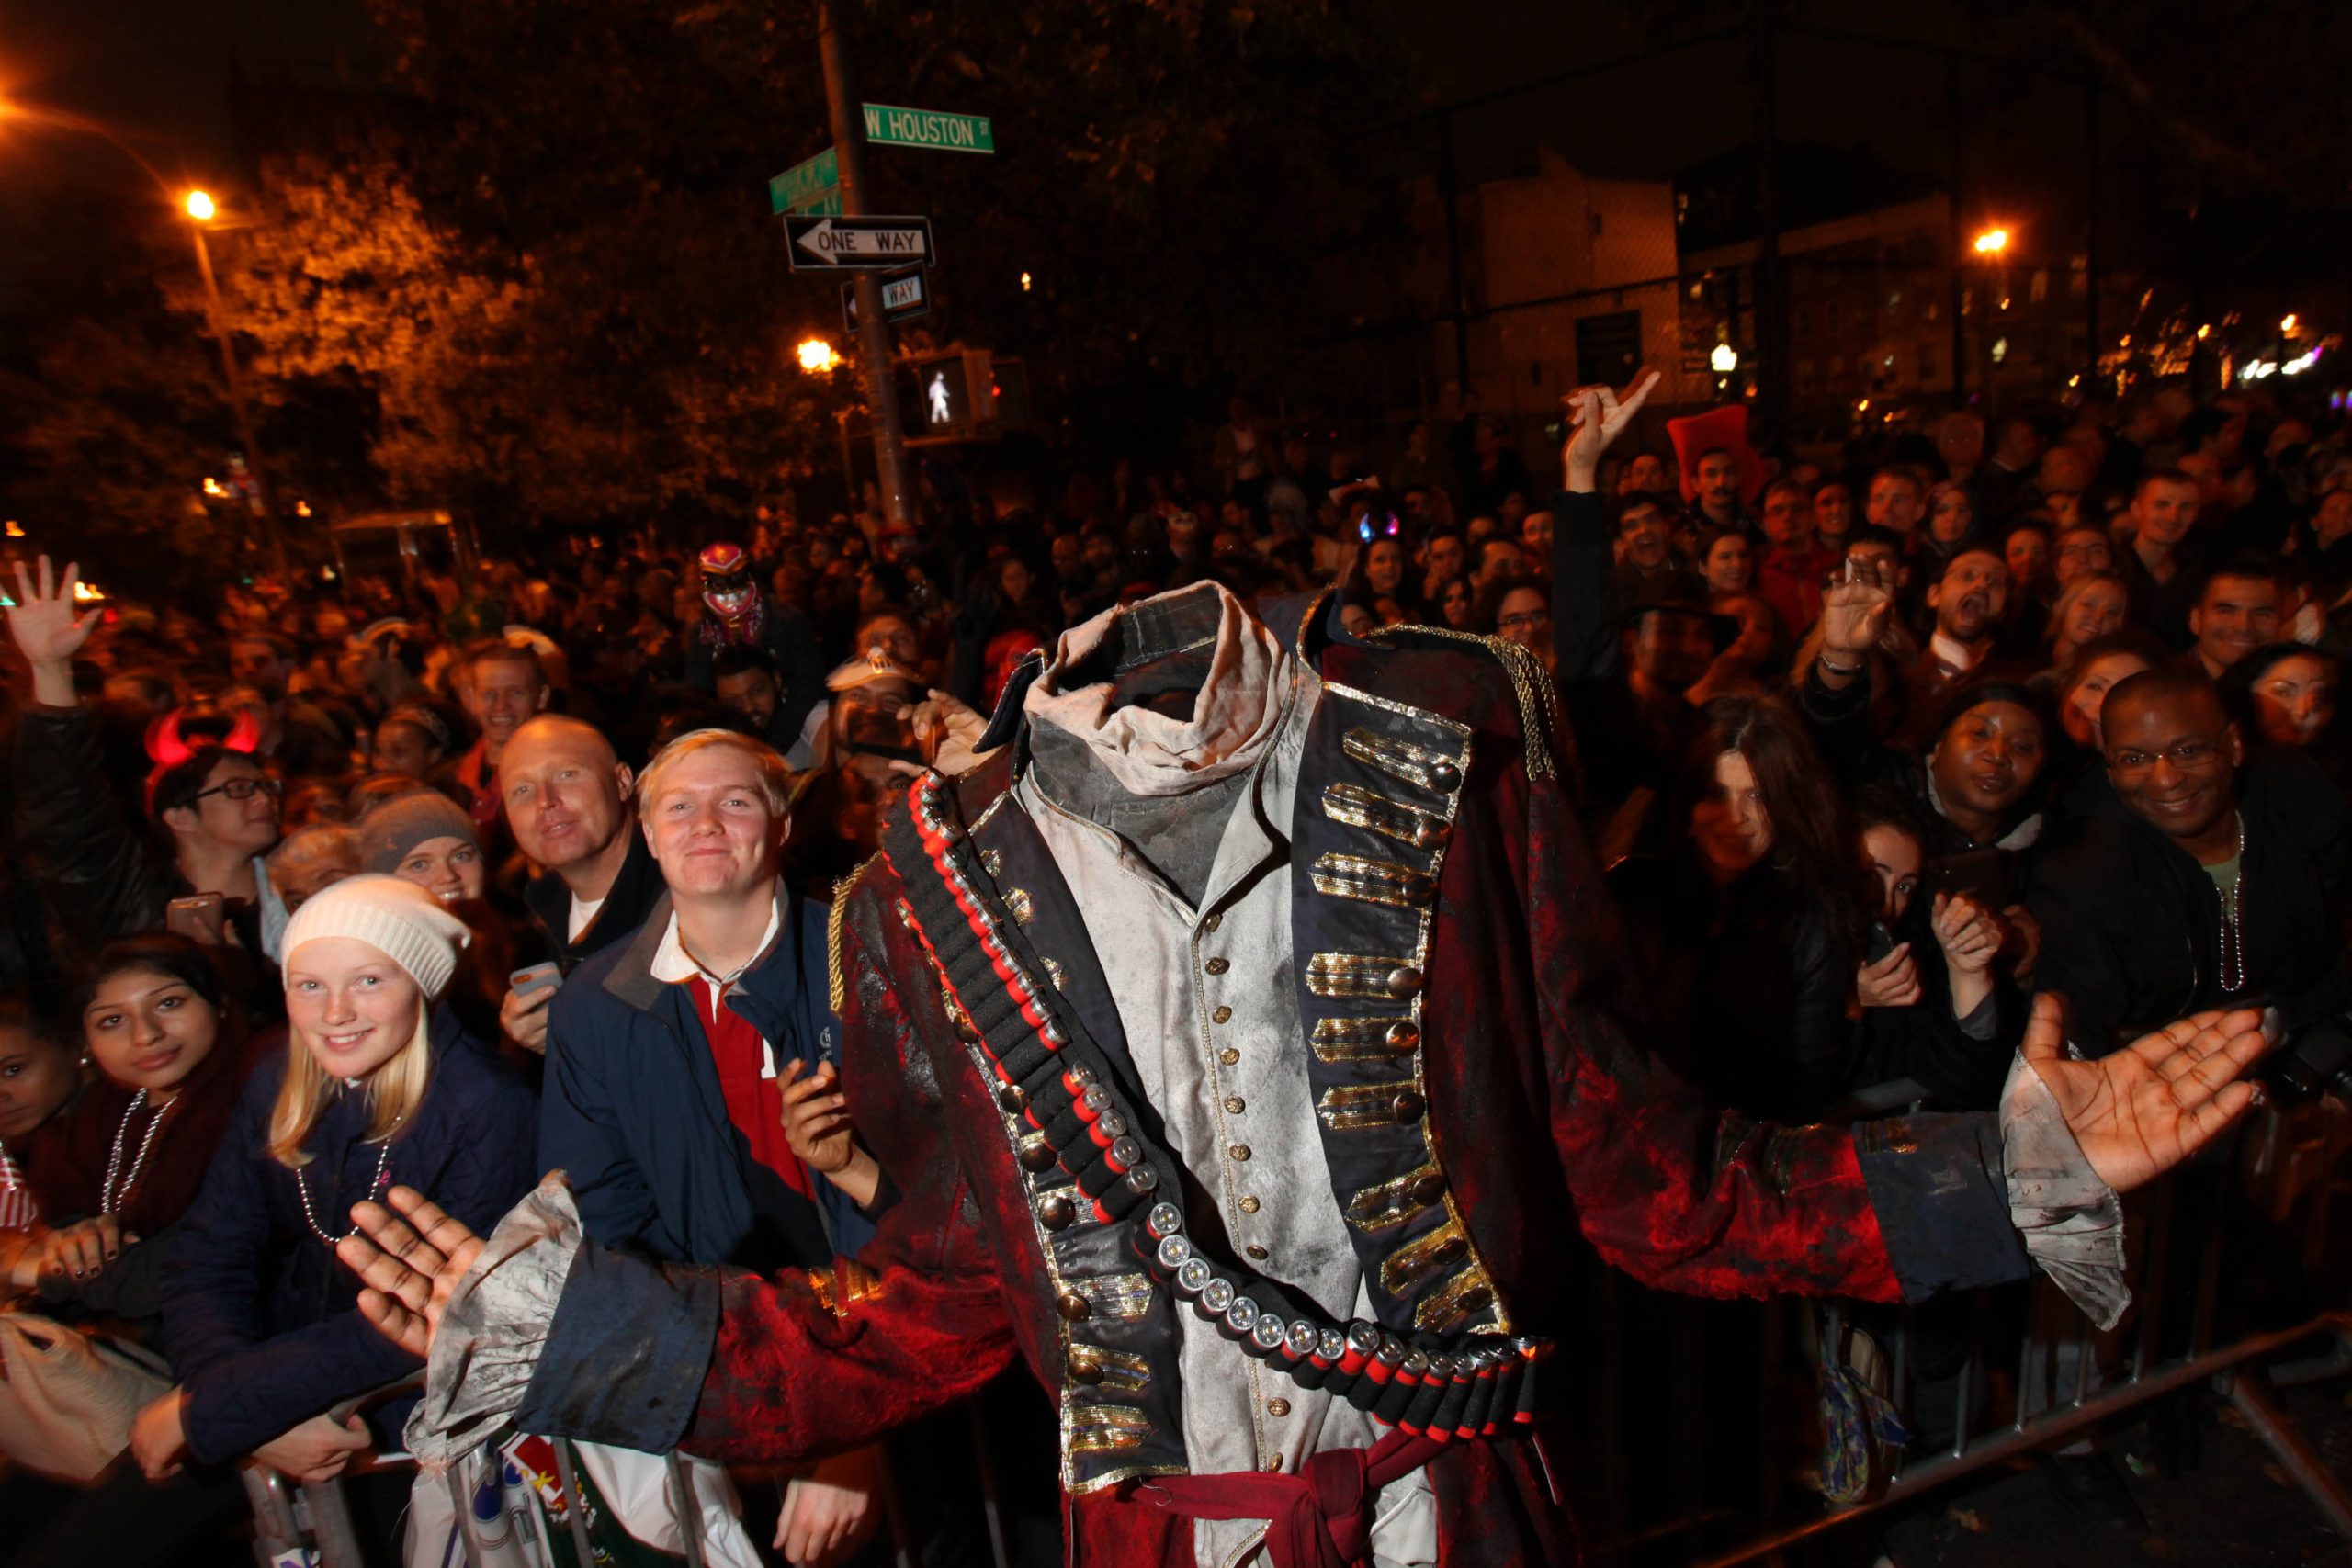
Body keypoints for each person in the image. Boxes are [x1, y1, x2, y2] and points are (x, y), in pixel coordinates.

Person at [537, 728, 885, 1559]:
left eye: (733, 802)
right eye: (677, 807)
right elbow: (607, 1224)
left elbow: (944, 1213)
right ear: (648, 833)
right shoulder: (595, 1008)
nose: (705, 824)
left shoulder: (869, 958)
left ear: (781, 825)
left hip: (893, 1382)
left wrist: (858, 1426)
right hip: (726, 1399)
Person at [132, 879, 537, 1522]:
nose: (335, 1012)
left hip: (408, 1423)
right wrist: (240, 1403)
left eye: (369, 981)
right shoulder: (275, 1075)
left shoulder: (488, 1104)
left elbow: (427, 1315)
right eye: (309, 984)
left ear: (421, 985)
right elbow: (209, 1252)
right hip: (270, 1385)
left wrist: (221, 1409)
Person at [2029, 669, 2352, 1057]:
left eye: (2188, 751)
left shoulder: (2305, 821)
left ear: (2233, 745)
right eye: (2134, 759)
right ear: (2110, 771)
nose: (2166, 779)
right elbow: (2081, 1041)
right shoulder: (2081, 877)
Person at [10, 558, 288, 963]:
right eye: (239, 789)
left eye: (265, 786)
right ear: (179, 816)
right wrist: (50, 670)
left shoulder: (304, 889)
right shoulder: (134, 903)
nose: (263, 800)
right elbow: (68, 817)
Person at [1608, 695, 1867, 1121]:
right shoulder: (1628, 893)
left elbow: (1802, 1086)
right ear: (1687, 805)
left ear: (1787, 806)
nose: (1735, 817)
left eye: (1757, 796)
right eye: (1715, 794)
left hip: (1741, 1147)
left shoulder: (1812, 921)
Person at [494, 715, 667, 1054]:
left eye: (566, 775)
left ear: (621, 782)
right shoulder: (533, 921)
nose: (545, 801)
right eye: (522, 789)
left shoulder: (681, 904)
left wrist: (578, 1039)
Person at [1846, 790, 2018, 1111]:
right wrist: (1846, 1004)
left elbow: (1963, 1083)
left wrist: (1968, 974)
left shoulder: (1906, 952)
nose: (1886, 902)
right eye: (1870, 876)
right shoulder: (1783, 946)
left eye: (1903, 886)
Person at [450, 639, 552, 834]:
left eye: (515, 693)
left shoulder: (555, 780)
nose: (500, 706)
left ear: (541, 697)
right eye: (488, 694)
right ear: (472, 699)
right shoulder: (447, 779)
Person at [2117, 469, 2208, 649]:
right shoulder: (2111, 566)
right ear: (2136, 509)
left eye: (2185, 507)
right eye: (2161, 504)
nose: (2173, 517)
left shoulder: (2200, 573)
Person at [2187, 562, 2283, 679]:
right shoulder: (2166, 688)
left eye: (2261, 614)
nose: (2243, 626)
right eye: (2226, 611)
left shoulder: (2291, 688)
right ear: (2196, 620)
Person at [2044, 571, 2131, 674]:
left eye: (2111, 612)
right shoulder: (2026, 650)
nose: (2098, 617)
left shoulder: (2107, 676)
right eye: (2088, 604)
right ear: (2062, 606)